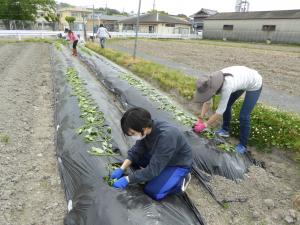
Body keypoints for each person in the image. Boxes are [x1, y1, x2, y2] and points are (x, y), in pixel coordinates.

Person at [110, 107, 193, 201]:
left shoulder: (167, 136)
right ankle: (159, 175)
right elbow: (136, 151)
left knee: (153, 192)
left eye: (133, 133)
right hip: (159, 155)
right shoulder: (148, 128)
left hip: (177, 163)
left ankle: (181, 180)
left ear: (143, 128)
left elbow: (153, 170)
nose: (132, 136)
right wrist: (122, 168)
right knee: (134, 160)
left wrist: (127, 179)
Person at [193, 66, 263, 154]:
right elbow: (207, 102)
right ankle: (225, 130)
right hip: (240, 80)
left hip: (254, 82)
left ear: (214, 90)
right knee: (228, 104)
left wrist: (205, 125)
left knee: (244, 115)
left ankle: (243, 145)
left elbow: (220, 111)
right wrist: (200, 119)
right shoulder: (209, 83)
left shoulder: (227, 86)